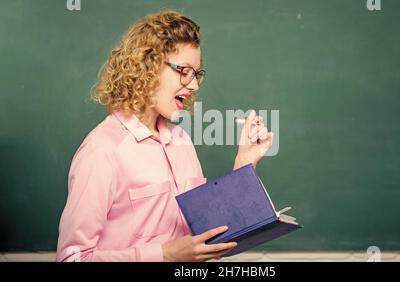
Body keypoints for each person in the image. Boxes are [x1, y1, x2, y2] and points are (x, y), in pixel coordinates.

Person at [56, 10, 273, 262]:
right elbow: (71, 258)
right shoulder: (102, 150)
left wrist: (245, 161)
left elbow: (207, 236)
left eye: (196, 74)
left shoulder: (181, 141)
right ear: (146, 66)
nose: (194, 85)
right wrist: (164, 255)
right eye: (184, 71)